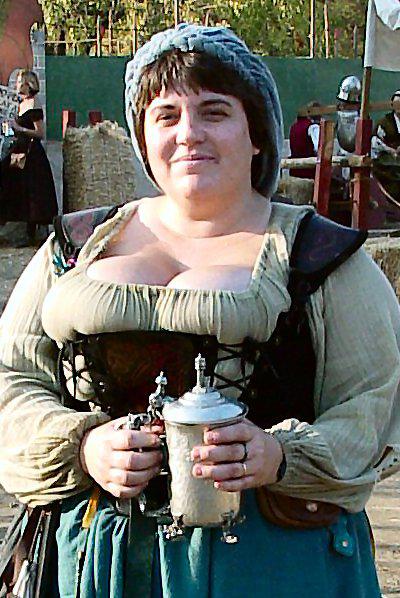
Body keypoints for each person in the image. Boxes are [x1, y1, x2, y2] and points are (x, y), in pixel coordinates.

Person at [0, 24, 400, 597]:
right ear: (143, 137)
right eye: (166, 116)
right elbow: (11, 377)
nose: (189, 133)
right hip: (100, 558)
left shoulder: (320, 254)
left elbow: (374, 404)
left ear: (256, 133)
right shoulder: (76, 245)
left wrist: (277, 454)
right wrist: (84, 446)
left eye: (214, 112)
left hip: (273, 562)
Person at [0, 70, 57, 245]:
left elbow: (40, 132)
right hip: (19, 150)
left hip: (32, 154)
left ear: (28, 84)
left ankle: (32, 234)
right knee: (14, 188)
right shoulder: (21, 103)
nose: (17, 85)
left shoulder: (34, 103)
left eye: (19, 82)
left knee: (32, 192)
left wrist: (20, 128)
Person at [371, 90, 400, 203]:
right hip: (387, 165)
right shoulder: (384, 122)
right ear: (392, 105)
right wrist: (390, 150)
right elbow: (375, 142)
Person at [289, 101, 321, 179]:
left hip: (294, 170)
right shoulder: (313, 127)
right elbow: (318, 149)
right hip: (309, 172)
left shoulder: (293, 127)